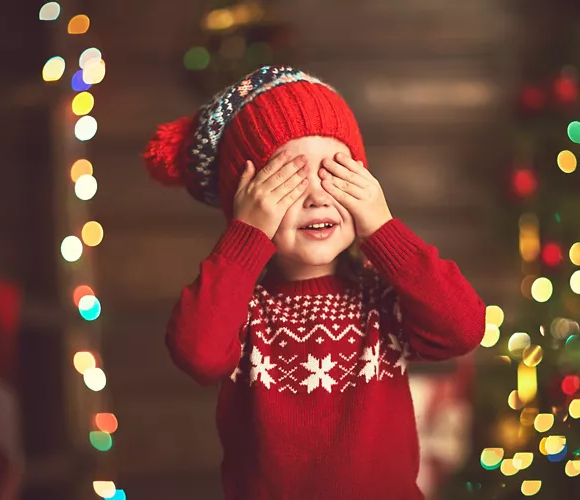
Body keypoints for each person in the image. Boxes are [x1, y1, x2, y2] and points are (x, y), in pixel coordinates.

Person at [142, 65, 485, 499]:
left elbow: (463, 328)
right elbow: (198, 353)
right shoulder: (240, 307)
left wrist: (383, 229)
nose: (317, 195)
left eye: (336, 173)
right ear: (247, 206)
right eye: (288, 180)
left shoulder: (382, 296)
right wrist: (244, 238)